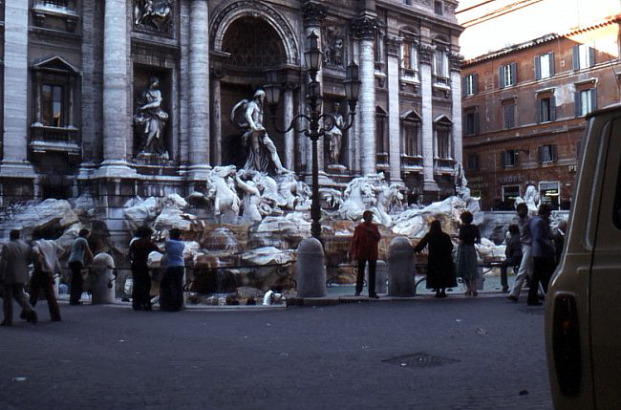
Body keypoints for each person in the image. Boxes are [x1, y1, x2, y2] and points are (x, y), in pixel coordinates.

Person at [231, 89, 288, 175]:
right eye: (263, 97)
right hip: (254, 132)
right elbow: (247, 114)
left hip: (261, 131)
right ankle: (258, 171)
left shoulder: (260, 107)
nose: (263, 99)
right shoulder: (252, 105)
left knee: (272, 148)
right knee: (256, 152)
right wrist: (253, 126)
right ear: (258, 97)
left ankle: (279, 168)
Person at [1, 230, 37, 326]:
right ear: (19, 236)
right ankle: (30, 310)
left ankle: (8, 320)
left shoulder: (7, 246)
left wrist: (1, 274)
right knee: (20, 295)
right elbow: (30, 259)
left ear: (11, 236)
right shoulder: (26, 246)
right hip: (22, 274)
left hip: (9, 274)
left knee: (7, 298)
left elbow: (3, 262)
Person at [413, 220, 457, 298]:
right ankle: (443, 291)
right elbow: (451, 247)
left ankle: (437, 291)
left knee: (435, 274)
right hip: (445, 258)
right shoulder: (445, 236)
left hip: (434, 258)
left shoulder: (429, 235)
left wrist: (414, 250)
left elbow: (421, 244)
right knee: (444, 274)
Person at [30, 228, 62, 321]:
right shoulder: (52, 243)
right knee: (50, 295)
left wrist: (41, 260)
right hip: (49, 271)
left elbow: (36, 252)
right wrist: (52, 259)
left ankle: (28, 313)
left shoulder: (36, 243)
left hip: (39, 270)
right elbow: (61, 250)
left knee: (34, 293)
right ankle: (56, 315)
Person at [528, 203, 556, 306]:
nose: (550, 215)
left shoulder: (533, 220)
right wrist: (550, 245)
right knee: (548, 274)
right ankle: (548, 295)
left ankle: (533, 297)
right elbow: (540, 238)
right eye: (549, 212)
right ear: (546, 212)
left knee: (537, 276)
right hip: (543, 253)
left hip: (535, 252)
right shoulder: (540, 222)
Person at [350, 210, 382, 299]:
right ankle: (358, 290)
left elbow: (378, 237)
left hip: (372, 252)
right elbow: (355, 241)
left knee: (372, 273)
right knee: (360, 272)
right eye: (369, 217)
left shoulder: (374, 227)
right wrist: (354, 252)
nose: (371, 218)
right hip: (362, 252)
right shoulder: (359, 228)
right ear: (365, 218)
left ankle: (372, 292)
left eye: (371, 217)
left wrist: (372, 232)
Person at [134, 76, 169, 155]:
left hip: (157, 114)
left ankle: (147, 148)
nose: (157, 84)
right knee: (148, 130)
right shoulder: (145, 92)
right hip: (147, 115)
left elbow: (158, 103)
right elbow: (139, 103)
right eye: (156, 82)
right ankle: (146, 148)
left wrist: (146, 106)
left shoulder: (158, 92)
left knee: (155, 130)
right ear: (152, 83)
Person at [507, 202, 534, 302]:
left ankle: (514, 293)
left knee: (523, 269)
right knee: (531, 271)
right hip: (525, 245)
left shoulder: (524, 220)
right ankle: (543, 291)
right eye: (521, 210)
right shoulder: (521, 220)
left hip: (528, 245)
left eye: (524, 209)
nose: (523, 212)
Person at [129, 226, 160, 311]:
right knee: (146, 284)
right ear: (148, 235)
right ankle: (146, 302)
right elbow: (159, 251)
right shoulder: (149, 243)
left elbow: (129, 255)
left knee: (137, 284)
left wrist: (133, 260)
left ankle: (136, 304)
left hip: (135, 265)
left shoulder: (135, 243)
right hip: (143, 265)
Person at [456, 211, 481, 296]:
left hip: (463, 249)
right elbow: (478, 240)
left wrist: (456, 238)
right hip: (471, 248)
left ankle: (468, 288)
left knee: (464, 268)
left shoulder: (462, 228)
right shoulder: (475, 228)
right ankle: (474, 288)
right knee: (472, 268)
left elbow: (461, 241)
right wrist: (472, 240)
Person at [160, 228, 185, 311]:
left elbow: (165, 249)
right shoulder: (182, 244)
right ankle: (178, 304)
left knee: (165, 284)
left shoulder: (169, 243)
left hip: (171, 266)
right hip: (180, 265)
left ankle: (167, 302)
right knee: (178, 286)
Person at [68, 228, 94, 305]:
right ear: (86, 234)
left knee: (74, 281)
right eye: (89, 234)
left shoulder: (75, 240)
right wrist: (94, 259)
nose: (89, 236)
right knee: (78, 281)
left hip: (71, 261)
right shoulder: (83, 240)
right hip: (77, 261)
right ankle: (76, 299)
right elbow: (88, 251)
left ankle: (72, 299)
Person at [500, 224, 522, 293]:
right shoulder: (521, 237)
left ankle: (505, 285)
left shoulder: (512, 240)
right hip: (523, 258)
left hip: (516, 258)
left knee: (503, 265)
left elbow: (508, 252)